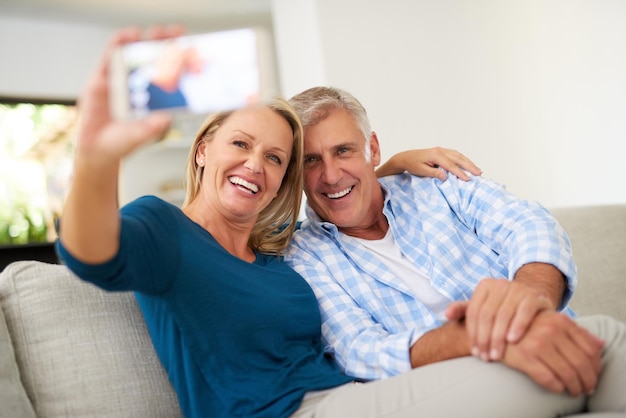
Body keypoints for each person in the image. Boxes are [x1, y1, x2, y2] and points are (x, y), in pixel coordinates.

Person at [57, 26, 562, 418]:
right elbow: (92, 253)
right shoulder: (164, 229)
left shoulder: (280, 253)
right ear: (203, 149)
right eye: (240, 144)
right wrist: (97, 160)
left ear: (284, 180)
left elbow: (344, 196)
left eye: (276, 158)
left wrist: (388, 168)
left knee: (584, 346)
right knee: (576, 350)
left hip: (359, 399)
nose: (256, 164)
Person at [285, 86, 626, 415]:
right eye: (310, 160)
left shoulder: (439, 184)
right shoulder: (303, 257)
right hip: (455, 390)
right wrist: (495, 333)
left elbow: (528, 224)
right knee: (606, 339)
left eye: (343, 150)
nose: (330, 175)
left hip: (551, 341)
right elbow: (361, 349)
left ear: (372, 149)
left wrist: (530, 298)